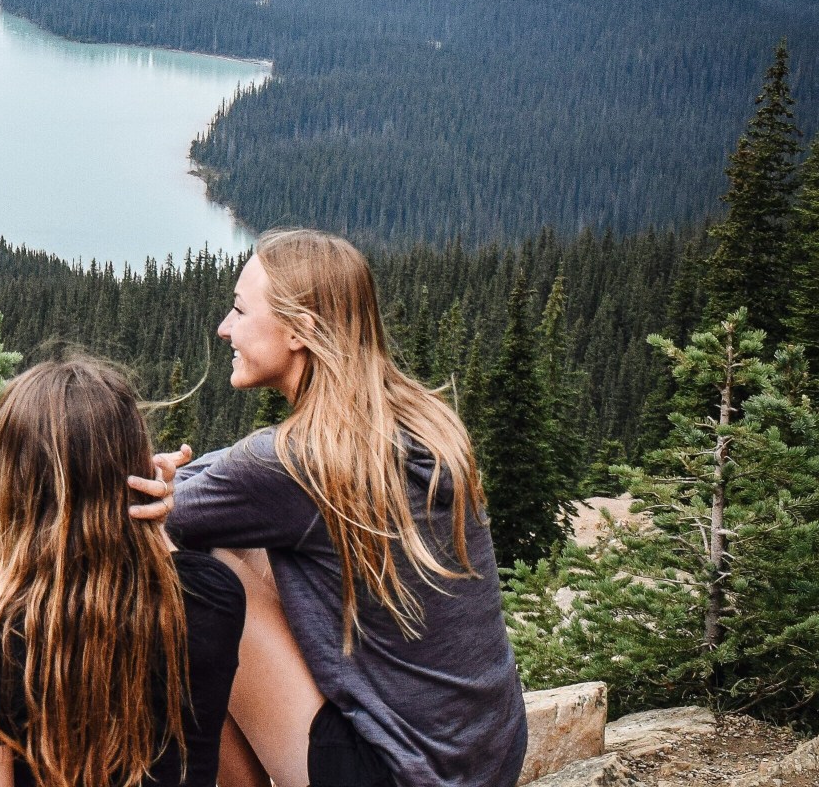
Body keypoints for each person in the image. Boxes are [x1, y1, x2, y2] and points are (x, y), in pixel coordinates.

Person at [129, 229, 526, 787]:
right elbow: (227, 476)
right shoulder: (419, 421)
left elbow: (150, 512)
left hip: (397, 774)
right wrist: (185, 479)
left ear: (301, 331)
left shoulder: (293, 462)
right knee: (248, 544)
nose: (225, 327)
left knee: (190, 571)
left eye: (240, 311)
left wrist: (160, 482)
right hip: (487, 759)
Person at [0, 357, 247, 787]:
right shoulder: (212, 598)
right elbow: (171, 566)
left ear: (13, 487)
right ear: (135, 474)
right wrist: (152, 520)